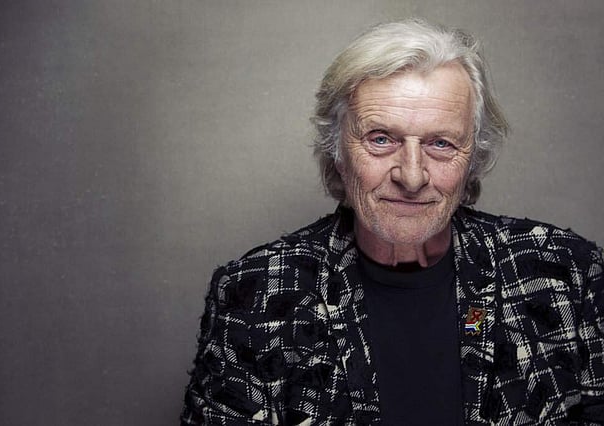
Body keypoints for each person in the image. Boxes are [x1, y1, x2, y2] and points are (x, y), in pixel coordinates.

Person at [181, 19, 604, 425]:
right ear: (338, 151)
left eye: (441, 143)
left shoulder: (567, 276)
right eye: (381, 139)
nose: (412, 176)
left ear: (472, 157)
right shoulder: (254, 295)